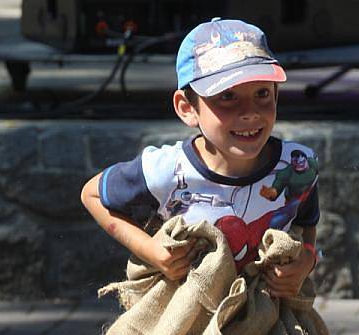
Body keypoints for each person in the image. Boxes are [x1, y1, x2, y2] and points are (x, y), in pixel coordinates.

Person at [81, 17, 320, 298]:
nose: (250, 111)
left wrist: (308, 259)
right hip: (188, 325)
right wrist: (151, 251)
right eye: (228, 96)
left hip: (264, 323)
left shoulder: (297, 164)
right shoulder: (165, 171)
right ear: (187, 108)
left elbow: (306, 223)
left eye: (262, 93)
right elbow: (91, 195)